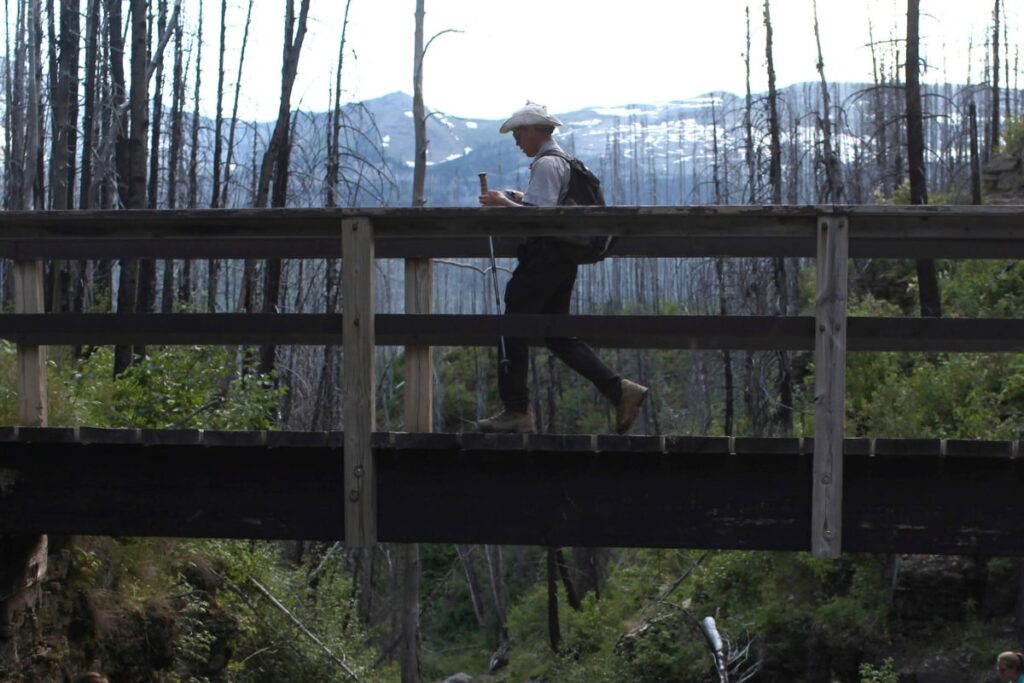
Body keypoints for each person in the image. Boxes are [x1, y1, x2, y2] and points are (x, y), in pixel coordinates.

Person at [476, 101, 648, 434]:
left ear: (531, 130)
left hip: (544, 257)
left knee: (510, 322)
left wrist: (502, 204)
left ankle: (517, 410)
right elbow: (546, 206)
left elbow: (538, 218)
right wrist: (516, 197)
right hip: (563, 257)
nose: (516, 141)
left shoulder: (546, 165)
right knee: (556, 333)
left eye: (517, 134)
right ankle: (619, 390)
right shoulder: (564, 162)